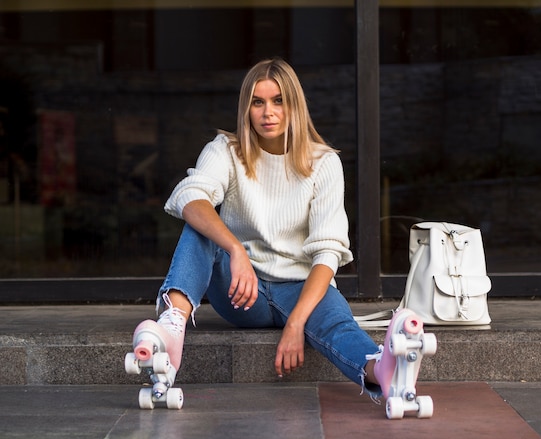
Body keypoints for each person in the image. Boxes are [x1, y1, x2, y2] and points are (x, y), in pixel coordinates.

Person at [130, 58, 389, 401]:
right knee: (201, 225)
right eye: (258, 102)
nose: (269, 112)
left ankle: (385, 371)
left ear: (294, 105)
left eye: (278, 100)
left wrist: (296, 324)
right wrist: (236, 250)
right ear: (247, 108)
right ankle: (172, 325)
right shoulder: (226, 151)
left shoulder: (323, 163)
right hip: (241, 292)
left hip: (300, 289)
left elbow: (328, 251)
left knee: (340, 325)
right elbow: (189, 196)